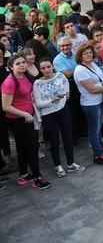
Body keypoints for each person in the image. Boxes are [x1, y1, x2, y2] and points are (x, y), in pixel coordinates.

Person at [1, 53, 52, 188]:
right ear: (11, 67)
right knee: (32, 148)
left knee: (23, 148)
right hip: (19, 120)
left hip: (28, 116)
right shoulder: (9, 82)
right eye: (18, 63)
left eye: (23, 62)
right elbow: (5, 106)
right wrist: (25, 114)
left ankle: (23, 174)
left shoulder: (25, 76)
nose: (22, 65)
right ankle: (37, 178)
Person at [33, 57, 85, 177]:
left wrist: (67, 93)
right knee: (54, 140)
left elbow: (66, 82)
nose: (47, 70)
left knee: (68, 137)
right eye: (43, 68)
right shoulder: (38, 83)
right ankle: (58, 166)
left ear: (52, 66)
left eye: (48, 67)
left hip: (63, 110)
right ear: (40, 70)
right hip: (48, 114)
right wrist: (52, 100)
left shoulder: (60, 76)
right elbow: (39, 103)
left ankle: (71, 163)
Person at [73, 41, 103, 165]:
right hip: (90, 103)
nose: (88, 55)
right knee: (94, 128)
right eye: (85, 53)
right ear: (80, 56)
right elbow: (92, 88)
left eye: (90, 52)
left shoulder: (93, 64)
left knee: (99, 125)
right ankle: (98, 155)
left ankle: (101, 147)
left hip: (99, 100)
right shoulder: (80, 70)